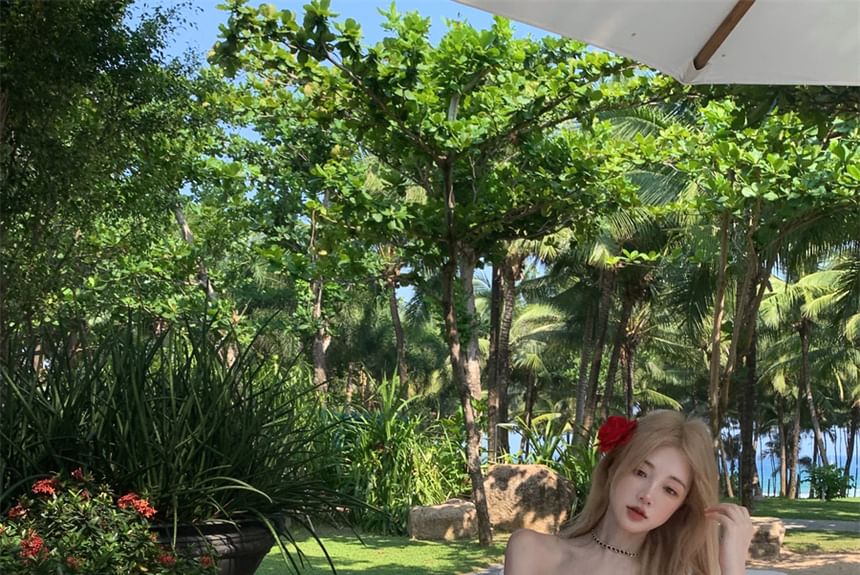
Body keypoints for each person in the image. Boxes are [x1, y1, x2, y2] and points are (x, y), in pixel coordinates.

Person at [503, 410, 754, 575]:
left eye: (670, 490)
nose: (647, 495)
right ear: (613, 468)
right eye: (640, 472)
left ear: (681, 506)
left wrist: (734, 567)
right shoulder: (531, 550)